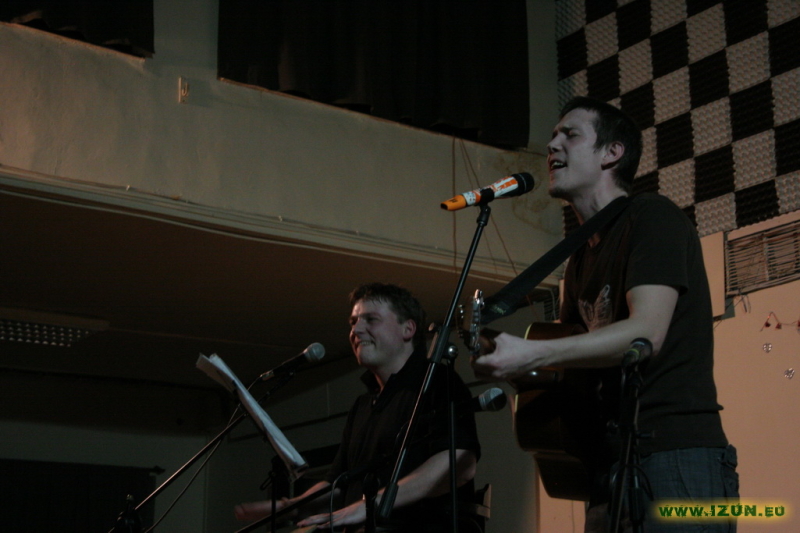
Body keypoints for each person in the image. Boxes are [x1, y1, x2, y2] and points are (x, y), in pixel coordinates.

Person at [471, 96, 738, 532]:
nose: (552, 146)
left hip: (675, 456)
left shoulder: (651, 216)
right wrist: (509, 362)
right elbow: (574, 362)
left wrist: (532, 354)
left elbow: (645, 334)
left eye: (570, 135)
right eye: (553, 136)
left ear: (612, 153)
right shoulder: (580, 256)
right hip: (609, 463)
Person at [237, 282, 481, 532]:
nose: (356, 330)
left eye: (371, 320)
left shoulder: (438, 382)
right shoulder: (363, 405)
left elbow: (460, 466)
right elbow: (338, 483)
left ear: (408, 329)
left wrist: (369, 506)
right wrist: (291, 506)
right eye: (353, 322)